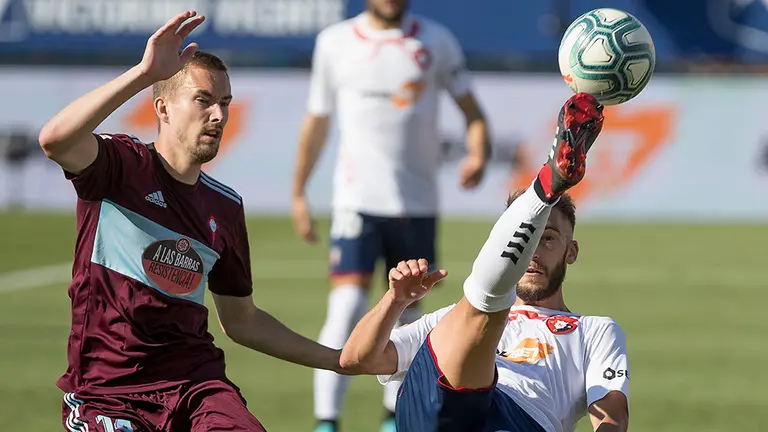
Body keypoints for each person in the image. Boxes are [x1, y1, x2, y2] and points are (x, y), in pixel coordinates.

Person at [39, 11, 345, 432]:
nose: (219, 116)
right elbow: (55, 140)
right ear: (161, 107)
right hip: (107, 395)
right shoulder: (120, 166)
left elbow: (242, 320)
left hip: (197, 388)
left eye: (225, 104)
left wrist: (338, 360)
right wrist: (145, 73)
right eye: (204, 101)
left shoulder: (225, 208)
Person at [338, 93, 631, 432]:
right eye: (527, 241)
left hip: (521, 420)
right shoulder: (450, 324)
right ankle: (544, 190)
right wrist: (395, 301)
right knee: (470, 316)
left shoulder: (593, 331)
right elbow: (355, 358)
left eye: (547, 238)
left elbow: (612, 418)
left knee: (477, 309)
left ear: (572, 251)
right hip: (438, 409)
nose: (533, 252)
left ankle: (544, 191)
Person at [291, 0, 490, 430]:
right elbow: (317, 122)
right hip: (356, 201)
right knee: (346, 306)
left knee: (411, 313)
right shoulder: (335, 42)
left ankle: (391, 416)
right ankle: (327, 420)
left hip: (417, 207)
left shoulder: (436, 41)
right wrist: (300, 192)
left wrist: (478, 152)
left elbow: (473, 113)